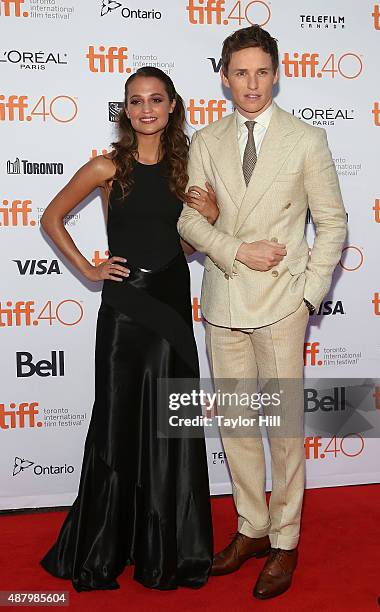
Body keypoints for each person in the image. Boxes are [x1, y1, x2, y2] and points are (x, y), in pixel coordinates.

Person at [178, 25, 347, 600]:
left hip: (281, 303)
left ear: (277, 73)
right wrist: (235, 249)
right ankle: (251, 527)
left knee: (282, 430)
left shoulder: (306, 139)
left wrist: (308, 292)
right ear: (224, 78)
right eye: (240, 72)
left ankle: (286, 538)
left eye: (261, 71)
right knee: (237, 426)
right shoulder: (205, 140)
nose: (252, 83)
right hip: (225, 298)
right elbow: (189, 221)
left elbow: (333, 223)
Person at [39, 67, 217, 592]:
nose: (146, 109)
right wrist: (90, 269)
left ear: (171, 107)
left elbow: (183, 246)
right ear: (126, 109)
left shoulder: (188, 174)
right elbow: (51, 217)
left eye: (156, 100)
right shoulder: (106, 167)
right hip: (122, 310)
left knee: (171, 425)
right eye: (136, 101)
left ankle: (168, 552)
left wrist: (210, 218)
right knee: (117, 425)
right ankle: (102, 549)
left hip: (169, 308)